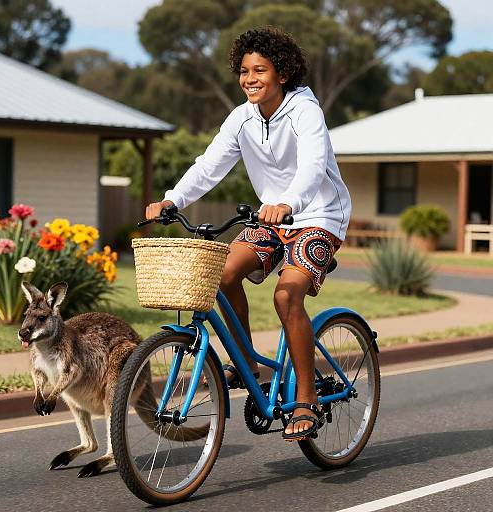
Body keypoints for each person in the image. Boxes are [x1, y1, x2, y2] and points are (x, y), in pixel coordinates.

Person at [146, 26, 351, 441]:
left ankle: (307, 399)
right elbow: (209, 166)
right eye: (244, 70)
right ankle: (246, 363)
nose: (250, 78)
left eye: (260, 70)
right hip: (271, 219)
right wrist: (174, 200)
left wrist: (290, 202)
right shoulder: (241, 118)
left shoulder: (305, 111)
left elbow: (313, 166)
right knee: (221, 275)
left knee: (285, 294)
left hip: (318, 216)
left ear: (282, 73)